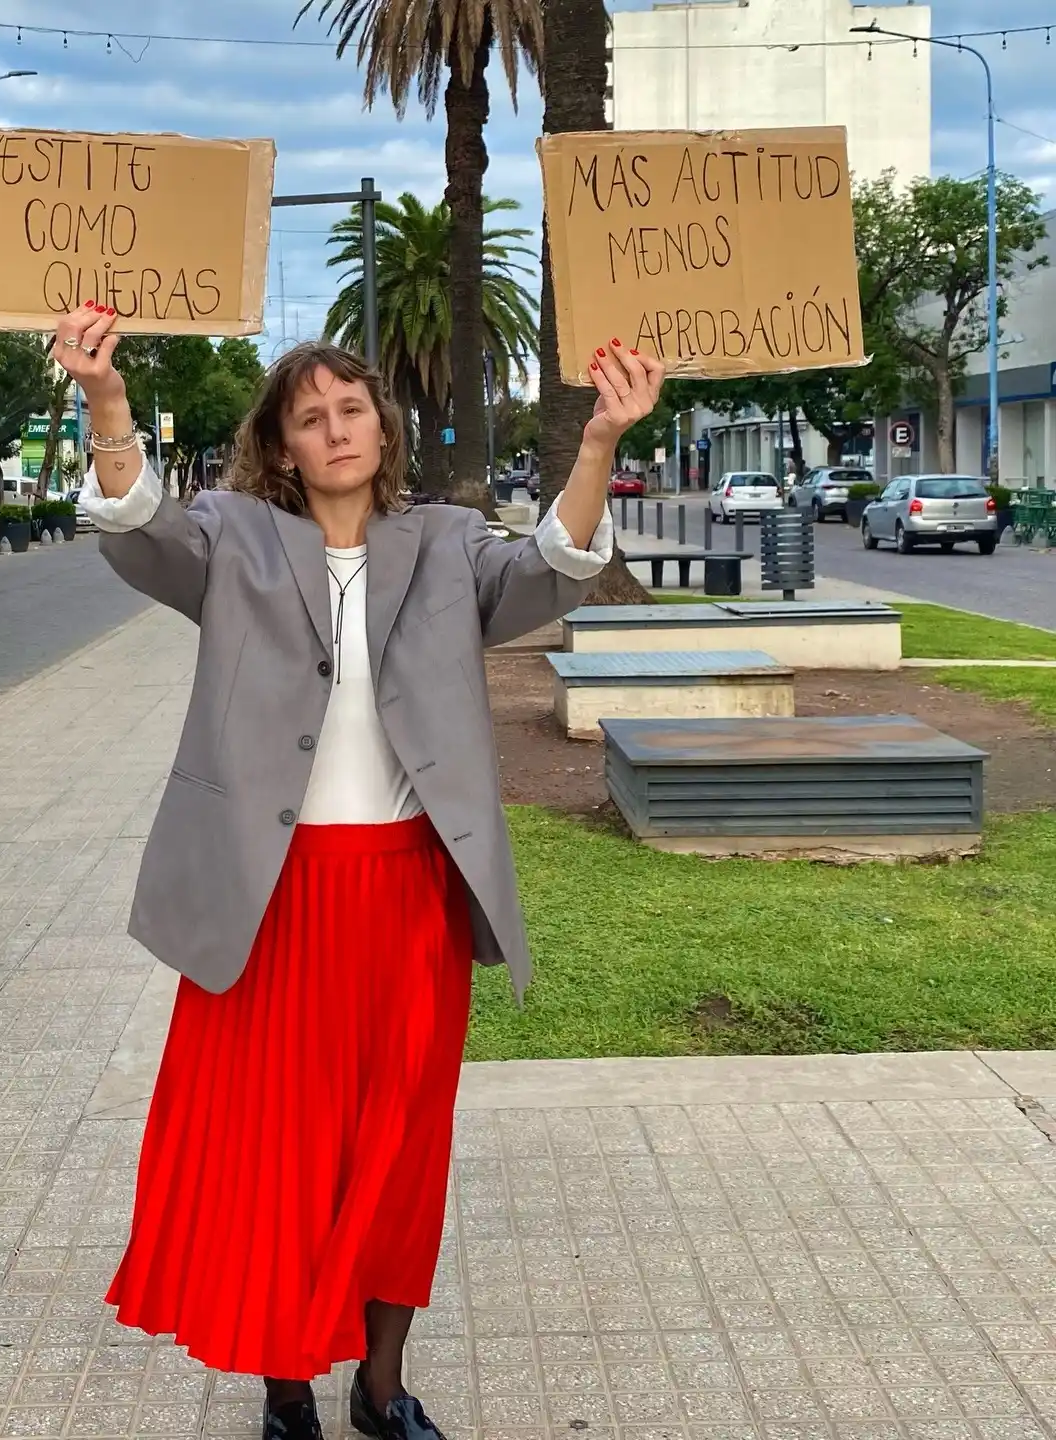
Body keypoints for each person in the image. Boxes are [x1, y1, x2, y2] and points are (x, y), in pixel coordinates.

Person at [57, 301, 663, 1440]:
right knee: (277, 1154)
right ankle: (286, 1382)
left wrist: (598, 444)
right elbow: (138, 529)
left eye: (352, 410)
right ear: (280, 445)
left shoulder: (444, 541)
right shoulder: (231, 538)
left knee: (397, 1151)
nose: (336, 430)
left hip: (407, 898)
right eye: (309, 417)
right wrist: (106, 400)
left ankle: (380, 1388)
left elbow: (549, 573)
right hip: (269, 902)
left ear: (382, 429)